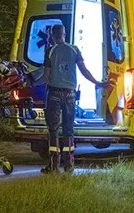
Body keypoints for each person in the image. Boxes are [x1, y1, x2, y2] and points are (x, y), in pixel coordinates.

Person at [41, 24, 105, 174]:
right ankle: (69, 165)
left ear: (52, 35)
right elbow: (84, 70)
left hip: (54, 94)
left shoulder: (50, 51)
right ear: (64, 33)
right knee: (69, 130)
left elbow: (46, 76)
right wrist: (98, 83)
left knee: (53, 130)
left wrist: (31, 81)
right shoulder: (74, 49)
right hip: (70, 94)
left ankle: (53, 165)